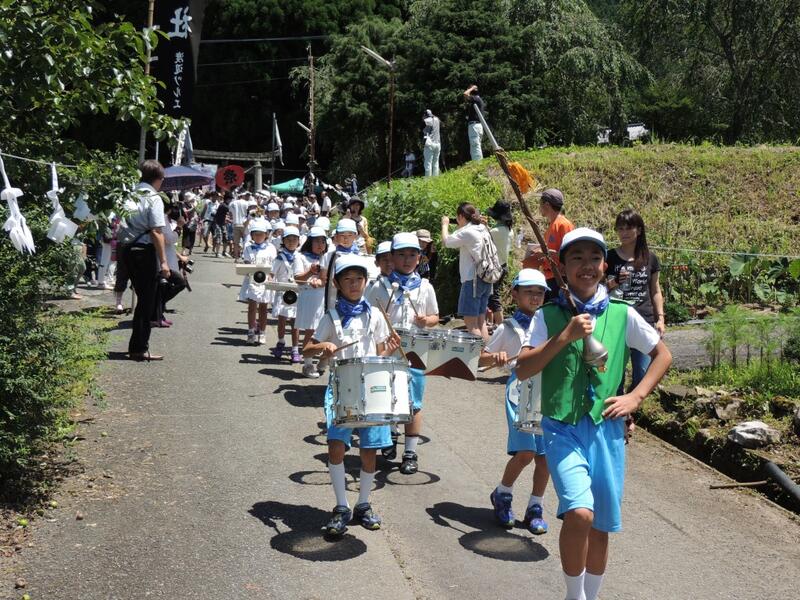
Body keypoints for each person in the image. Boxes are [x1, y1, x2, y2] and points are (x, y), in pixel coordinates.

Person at [515, 228, 672, 600]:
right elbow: (523, 368)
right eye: (576, 258)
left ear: (604, 264)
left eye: (593, 258)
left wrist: (635, 396)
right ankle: (574, 595)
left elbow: (662, 355)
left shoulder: (621, 314)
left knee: (601, 524)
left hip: (608, 429)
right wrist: (564, 337)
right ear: (563, 268)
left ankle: (591, 595)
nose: (586, 266)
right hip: (561, 428)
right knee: (580, 513)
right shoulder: (549, 315)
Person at [303, 254, 401, 537]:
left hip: (371, 388)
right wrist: (324, 346)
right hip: (340, 387)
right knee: (336, 446)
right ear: (337, 283)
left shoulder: (375, 314)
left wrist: (390, 350)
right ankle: (341, 506)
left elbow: (379, 354)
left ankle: (363, 504)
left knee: (369, 450)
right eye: (348, 279)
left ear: (365, 281)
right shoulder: (331, 317)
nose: (354, 284)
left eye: (359, 279)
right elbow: (307, 348)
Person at [479, 268, 550, 534]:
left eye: (540, 292)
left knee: (545, 458)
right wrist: (495, 358)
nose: (534, 297)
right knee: (526, 453)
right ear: (515, 294)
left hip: (546, 391)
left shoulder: (548, 323)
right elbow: (481, 358)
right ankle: (503, 494)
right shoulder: (508, 328)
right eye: (529, 292)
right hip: (518, 391)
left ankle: (535, 506)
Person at [366, 232, 439, 474]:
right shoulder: (378, 286)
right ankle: (390, 436)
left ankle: (410, 452)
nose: (407, 260)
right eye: (401, 255)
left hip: (415, 350)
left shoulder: (425, 287)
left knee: (414, 402)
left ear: (419, 258)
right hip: (387, 348)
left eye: (412, 254)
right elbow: (366, 316)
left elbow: (435, 317)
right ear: (392, 258)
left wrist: (426, 320)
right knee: (386, 395)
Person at [605, 210, 666, 392]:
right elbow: (598, 288)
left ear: (639, 231)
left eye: (628, 228)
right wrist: (615, 281)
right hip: (616, 320)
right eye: (620, 228)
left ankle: (630, 407)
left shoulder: (650, 258)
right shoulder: (609, 257)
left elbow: (655, 290)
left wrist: (660, 318)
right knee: (616, 372)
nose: (623, 233)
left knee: (643, 370)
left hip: (643, 319)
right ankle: (620, 414)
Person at [117, 160, 170, 361]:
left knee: (142, 298)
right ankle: (139, 348)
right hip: (144, 250)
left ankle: (136, 346)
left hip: (126, 249)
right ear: (158, 179)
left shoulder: (129, 194)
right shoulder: (153, 198)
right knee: (146, 302)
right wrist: (163, 261)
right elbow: (156, 231)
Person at [441, 203, 494, 339]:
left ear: (460, 216)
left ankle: (477, 357)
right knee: (481, 322)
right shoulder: (482, 228)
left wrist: (445, 224)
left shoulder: (467, 232)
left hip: (473, 281)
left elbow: (446, 242)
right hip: (487, 279)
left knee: (471, 324)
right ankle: (484, 356)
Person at [523, 188, 574, 297]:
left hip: (561, 278)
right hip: (549, 277)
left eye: (540, 204)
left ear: (546, 204)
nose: (539, 207)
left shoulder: (563, 224)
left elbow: (570, 253)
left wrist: (546, 253)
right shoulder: (550, 227)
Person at [295, 227, 329, 377]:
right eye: (316, 241)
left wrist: (321, 280)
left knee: (326, 331)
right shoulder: (300, 256)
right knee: (310, 330)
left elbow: (327, 278)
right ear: (309, 242)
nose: (320, 244)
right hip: (309, 297)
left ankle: (323, 360)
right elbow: (297, 279)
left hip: (325, 297)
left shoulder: (327, 257)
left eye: (323, 241)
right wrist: (310, 271)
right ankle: (307, 364)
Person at [239, 218, 276, 346]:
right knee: (252, 306)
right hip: (253, 280)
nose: (258, 236)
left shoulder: (271, 247)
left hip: (266, 281)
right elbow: (247, 262)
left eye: (261, 234)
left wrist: (271, 275)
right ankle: (251, 331)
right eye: (255, 234)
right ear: (252, 234)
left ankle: (262, 332)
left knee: (264, 308)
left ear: (266, 234)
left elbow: (274, 264)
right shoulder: (248, 247)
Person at [270, 226, 304, 363]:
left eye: (294, 239)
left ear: (298, 241)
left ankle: (295, 348)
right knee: (282, 320)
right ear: (283, 241)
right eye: (288, 240)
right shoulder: (279, 258)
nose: (291, 242)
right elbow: (272, 274)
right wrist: (270, 280)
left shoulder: (300, 257)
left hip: (296, 293)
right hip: (283, 292)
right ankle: (281, 341)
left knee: (296, 322)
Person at [487, 200, 513, 327]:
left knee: (493, 297)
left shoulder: (495, 231)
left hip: (495, 268)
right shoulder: (509, 230)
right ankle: (496, 324)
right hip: (503, 267)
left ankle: (501, 325)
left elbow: (486, 240)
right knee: (493, 296)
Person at [463, 84, 485, 161]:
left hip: (474, 126)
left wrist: (471, 88)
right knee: (476, 145)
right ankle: (478, 163)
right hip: (478, 125)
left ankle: (478, 164)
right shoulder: (478, 99)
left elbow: (465, 94)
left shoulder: (475, 98)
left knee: (475, 145)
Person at [228, 193, 249, 262]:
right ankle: (244, 256)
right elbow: (248, 213)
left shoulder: (232, 203)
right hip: (245, 224)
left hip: (236, 224)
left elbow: (230, 214)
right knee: (245, 241)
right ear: (243, 196)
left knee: (236, 243)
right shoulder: (246, 203)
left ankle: (236, 258)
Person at [423, 109, 442, 176]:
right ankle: (435, 180)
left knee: (428, 163)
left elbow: (425, 133)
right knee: (436, 163)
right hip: (438, 143)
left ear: (425, 115)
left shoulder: (426, 120)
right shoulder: (437, 119)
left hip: (430, 143)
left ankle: (428, 181)